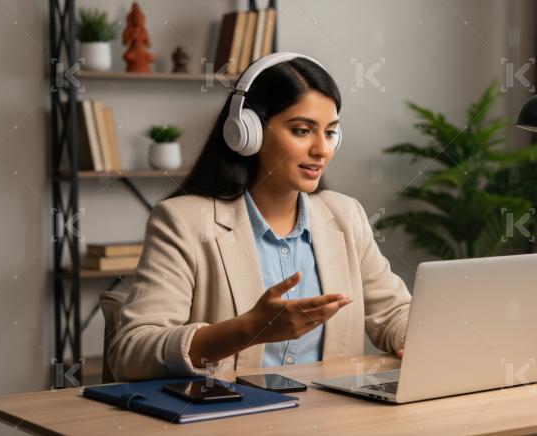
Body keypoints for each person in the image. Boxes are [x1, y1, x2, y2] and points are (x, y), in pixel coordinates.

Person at [108, 53, 411, 381]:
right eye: (302, 130)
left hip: (331, 421)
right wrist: (249, 328)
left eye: (329, 133)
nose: (322, 149)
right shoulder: (182, 222)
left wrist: (412, 340)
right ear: (246, 132)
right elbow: (131, 352)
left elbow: (394, 312)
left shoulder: (345, 215)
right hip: (228, 422)